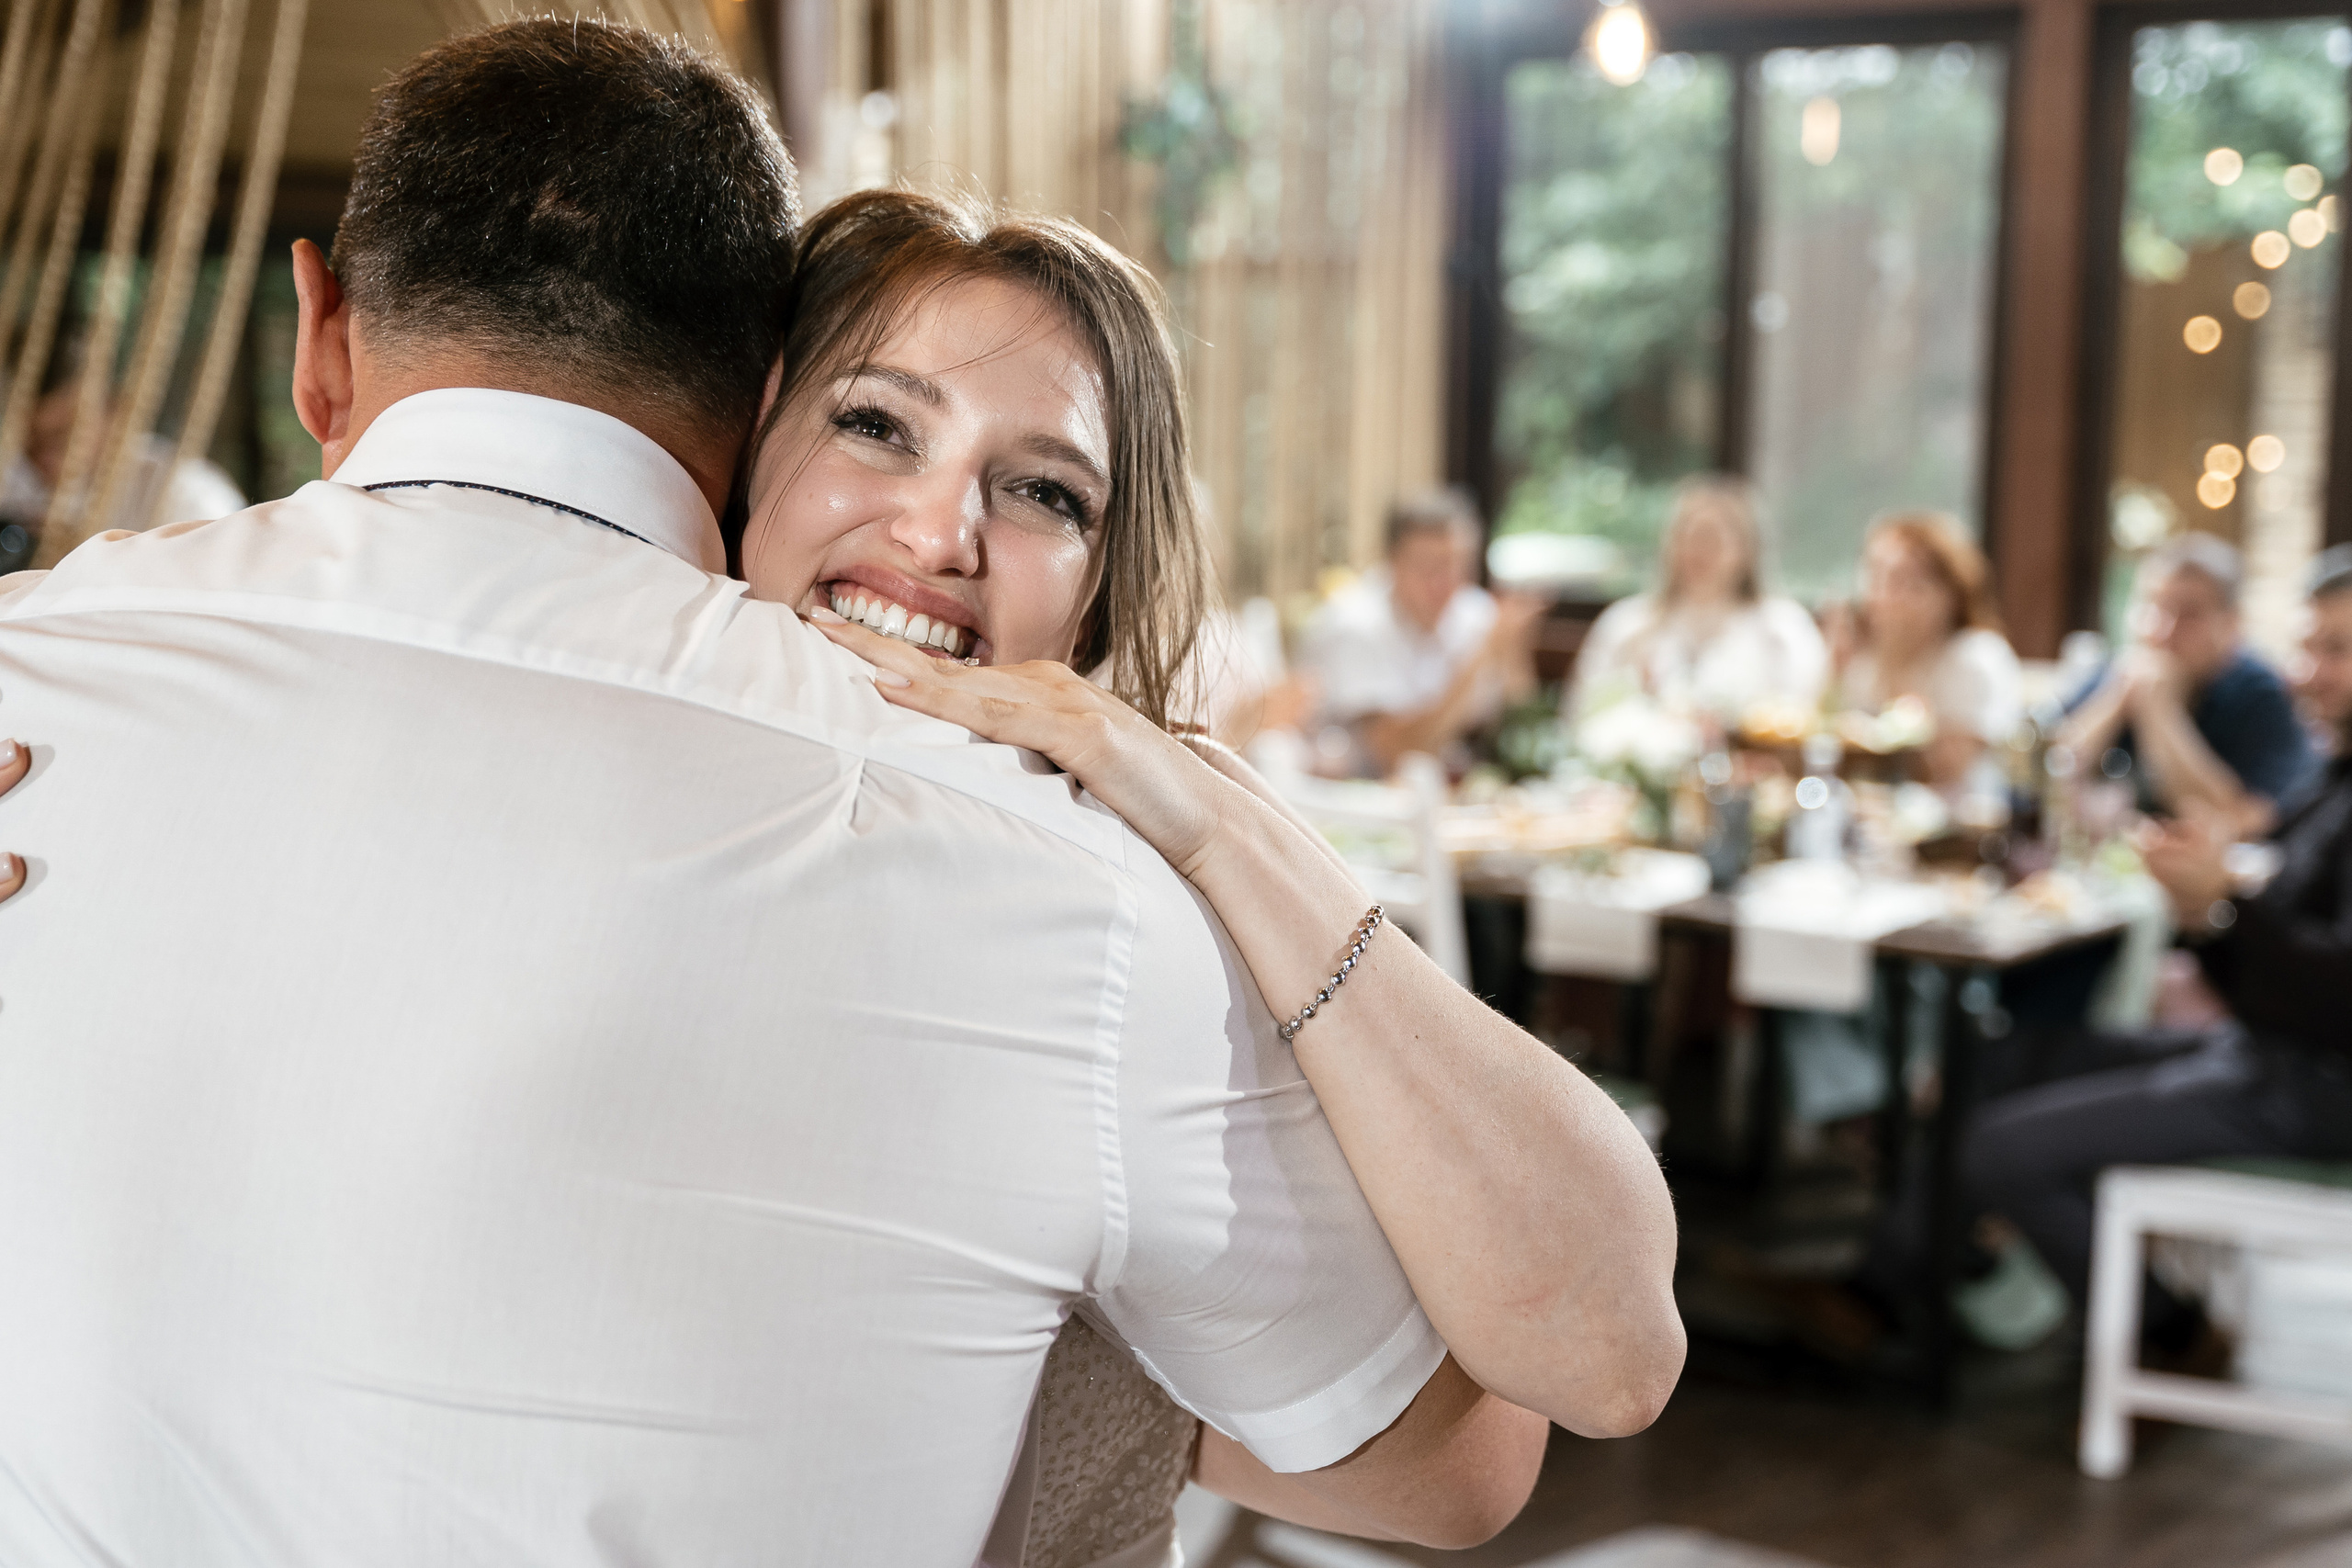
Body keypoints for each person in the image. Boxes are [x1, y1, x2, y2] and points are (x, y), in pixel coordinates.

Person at [0, 29, 1681, 1567]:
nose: (943, 532)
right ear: (744, 428)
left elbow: (1499, 1431)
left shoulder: (1084, 912)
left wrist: (1214, 812)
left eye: (1043, 491)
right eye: (876, 426)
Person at [1958, 547, 2352, 1347]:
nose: (2305, 672)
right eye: (2307, 646)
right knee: (1997, 1059)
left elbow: (2333, 996)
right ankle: (1900, 1287)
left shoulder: (2288, 740)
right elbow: (2033, 778)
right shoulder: (2333, 773)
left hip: (2313, 1087)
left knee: (1997, 1147)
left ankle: (2163, 1328)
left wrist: (2222, 909)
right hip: (2260, 1049)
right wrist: (2212, 911)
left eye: (2335, 651)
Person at [2056, 533, 2314, 836]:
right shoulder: (2117, 672)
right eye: (2155, 606)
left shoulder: (2262, 694)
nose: (2164, 630)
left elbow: (2241, 818)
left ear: (2231, 625)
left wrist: (2160, 711)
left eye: (2189, 614)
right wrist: (2118, 700)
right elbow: (2045, 781)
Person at [1297, 487, 1543, 777]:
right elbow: (1397, 755)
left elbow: (1526, 731)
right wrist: (1479, 659)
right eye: (1431, 567)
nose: (1446, 583)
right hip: (1350, 797)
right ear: (1393, 562)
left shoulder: (1473, 611)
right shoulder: (1353, 625)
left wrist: (1513, 653)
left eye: (1460, 566)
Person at [1566, 474, 1826, 725]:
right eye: (1688, 536)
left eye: (1713, 538)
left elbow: (1802, 718)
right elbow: (1580, 714)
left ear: (1747, 549)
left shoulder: (1783, 629)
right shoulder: (1627, 623)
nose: (1700, 551)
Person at [0, 330, 247, 570]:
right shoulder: (14, 485)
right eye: (31, 441)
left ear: (115, 410)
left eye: (62, 437)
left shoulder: (186, 495)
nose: (45, 460)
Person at [1833, 511, 2021, 792]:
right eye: (1875, 576)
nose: (1881, 595)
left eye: (1904, 581)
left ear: (1950, 594)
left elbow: (1949, 771)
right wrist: (1833, 672)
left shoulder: (1976, 657)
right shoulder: (1862, 661)